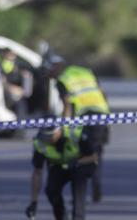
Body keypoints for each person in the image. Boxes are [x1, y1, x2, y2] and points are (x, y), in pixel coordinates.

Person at [45, 53, 110, 203]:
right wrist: (109, 117)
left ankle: (80, 194)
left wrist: (64, 126)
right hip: (101, 112)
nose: (50, 76)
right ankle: (96, 183)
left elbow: (67, 103)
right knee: (96, 151)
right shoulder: (84, 72)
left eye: (50, 71)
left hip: (83, 115)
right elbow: (101, 92)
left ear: (56, 68)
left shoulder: (62, 79)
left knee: (81, 153)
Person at [25, 108, 98, 219]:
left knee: (78, 185)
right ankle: (62, 216)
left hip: (81, 164)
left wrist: (75, 162)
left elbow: (93, 157)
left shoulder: (75, 133)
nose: (47, 140)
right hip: (59, 165)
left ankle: (78, 216)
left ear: (59, 130)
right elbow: (37, 173)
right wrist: (33, 202)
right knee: (51, 190)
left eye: (49, 136)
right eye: (44, 136)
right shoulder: (40, 143)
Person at [0, 48, 33, 119]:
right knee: (20, 105)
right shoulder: (0, 65)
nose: (12, 56)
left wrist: (23, 90)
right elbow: (2, 81)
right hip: (6, 93)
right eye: (10, 54)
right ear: (4, 54)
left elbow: (27, 75)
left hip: (19, 93)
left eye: (14, 54)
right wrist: (12, 89)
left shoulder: (19, 65)